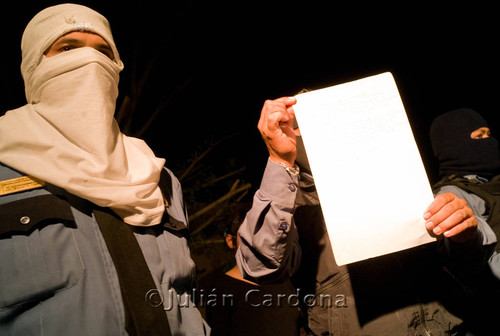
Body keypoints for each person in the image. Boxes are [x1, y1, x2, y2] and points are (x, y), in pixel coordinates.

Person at [0, 4, 209, 335]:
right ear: (34, 66)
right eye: (67, 48)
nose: (90, 61)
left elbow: (184, 296)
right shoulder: (4, 164)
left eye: (103, 51)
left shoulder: (160, 178)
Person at [236, 97, 499, 335]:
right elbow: (259, 267)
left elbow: (463, 263)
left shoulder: (397, 176)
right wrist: (279, 161)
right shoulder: (290, 202)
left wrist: (464, 234)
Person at [200, 213, 302, 335]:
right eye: (247, 235)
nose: (255, 241)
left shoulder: (283, 279)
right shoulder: (222, 290)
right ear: (230, 241)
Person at [430, 107, 500, 278]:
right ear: (454, 145)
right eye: (479, 136)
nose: (489, 141)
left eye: (488, 135)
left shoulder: (487, 182)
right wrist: (465, 238)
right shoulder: (452, 193)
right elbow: (474, 262)